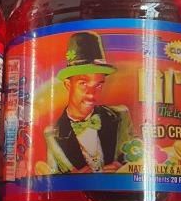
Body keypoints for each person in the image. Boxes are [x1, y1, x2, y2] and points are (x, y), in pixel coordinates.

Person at [41, 32, 133, 174]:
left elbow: (139, 155)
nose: (91, 93)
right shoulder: (52, 134)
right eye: (83, 83)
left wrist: (122, 168)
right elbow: (51, 177)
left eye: (98, 85)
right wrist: (74, 181)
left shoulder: (121, 116)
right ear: (68, 85)